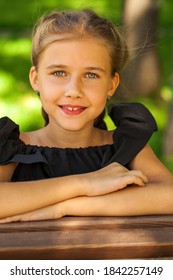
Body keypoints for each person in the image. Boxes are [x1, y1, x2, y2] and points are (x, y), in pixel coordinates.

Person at [0, 9, 173, 223]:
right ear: (36, 79)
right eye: (59, 73)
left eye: (91, 75)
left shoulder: (126, 145)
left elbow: (169, 196)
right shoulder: (12, 147)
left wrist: (66, 207)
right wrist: (84, 183)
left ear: (112, 84)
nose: (74, 90)